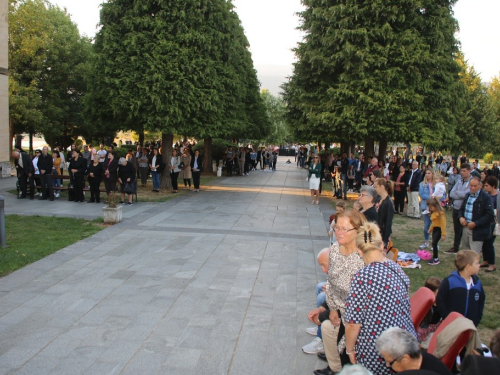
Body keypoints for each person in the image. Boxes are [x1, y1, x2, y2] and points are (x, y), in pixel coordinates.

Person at [344, 222, 416, 375]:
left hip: (379, 350)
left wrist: (349, 349)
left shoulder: (362, 277)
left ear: (358, 249)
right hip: (405, 343)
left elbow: (352, 324)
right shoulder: (396, 268)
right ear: (382, 244)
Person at [311, 210, 365, 375]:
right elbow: (333, 283)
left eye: (345, 229)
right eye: (337, 228)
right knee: (327, 326)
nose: (339, 232)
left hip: (359, 316)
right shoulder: (335, 249)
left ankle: (345, 367)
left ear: (358, 230)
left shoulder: (363, 257)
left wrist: (327, 313)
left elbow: (360, 302)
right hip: (341, 309)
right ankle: (335, 368)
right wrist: (332, 309)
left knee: (327, 323)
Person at [436, 250, 485, 326]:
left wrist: (477, 318)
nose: (479, 265)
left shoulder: (477, 283)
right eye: (477, 263)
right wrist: (446, 317)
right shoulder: (450, 281)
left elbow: (481, 300)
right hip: (451, 325)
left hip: (470, 325)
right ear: (468, 266)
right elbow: (440, 300)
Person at [376, 327, 452, 375]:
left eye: (390, 362)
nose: (387, 365)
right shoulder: (421, 358)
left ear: (405, 359)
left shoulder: (429, 371)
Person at [457, 176, 494, 254]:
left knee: (474, 255)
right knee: (465, 253)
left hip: (478, 231)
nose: (472, 188)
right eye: (471, 185)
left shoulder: (486, 198)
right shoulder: (468, 195)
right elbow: (461, 209)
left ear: (480, 186)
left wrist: (476, 223)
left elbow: (490, 215)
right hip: (466, 228)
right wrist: (460, 217)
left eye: (475, 186)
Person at [445, 163, 472, 254]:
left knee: (465, 230)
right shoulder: (459, 180)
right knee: (457, 229)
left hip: (465, 209)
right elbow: (452, 192)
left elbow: (467, 194)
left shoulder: (472, 182)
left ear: (469, 171)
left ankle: (467, 249)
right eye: (461, 171)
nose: (462, 173)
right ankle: (455, 247)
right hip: (456, 207)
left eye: (464, 171)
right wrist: (459, 193)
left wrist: (458, 193)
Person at [480, 176, 499, 272]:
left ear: (493, 186)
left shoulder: (498, 196)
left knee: (489, 243)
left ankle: (492, 264)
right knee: (484, 241)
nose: (485, 187)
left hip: (494, 222)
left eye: (487, 185)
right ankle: (485, 260)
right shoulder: (485, 195)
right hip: (486, 221)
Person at [417, 277, 442, 343]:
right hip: (426, 327)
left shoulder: (422, 297)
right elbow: (433, 320)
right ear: (436, 291)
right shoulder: (430, 304)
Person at [374, 178, 395, 249]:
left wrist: (385, 240)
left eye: (376, 187)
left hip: (383, 234)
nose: (375, 189)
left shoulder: (388, 203)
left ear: (382, 187)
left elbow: (388, 222)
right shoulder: (380, 199)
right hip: (377, 232)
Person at [427, 198, 446, 266]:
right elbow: (434, 223)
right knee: (433, 243)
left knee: (434, 243)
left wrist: (443, 234)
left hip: (439, 229)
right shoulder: (433, 213)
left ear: (435, 206)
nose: (430, 209)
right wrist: (430, 229)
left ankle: (436, 258)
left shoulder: (440, 214)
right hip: (435, 229)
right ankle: (435, 257)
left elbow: (443, 224)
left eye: (431, 207)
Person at [418, 169, 434, 249]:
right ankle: (426, 241)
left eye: (429, 173)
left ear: (432, 174)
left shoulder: (437, 184)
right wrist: (431, 199)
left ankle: (435, 244)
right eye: (426, 173)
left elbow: (442, 195)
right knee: (426, 226)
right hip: (426, 207)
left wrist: (435, 200)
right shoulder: (422, 184)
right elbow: (421, 194)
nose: (427, 174)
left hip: (435, 208)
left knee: (435, 226)